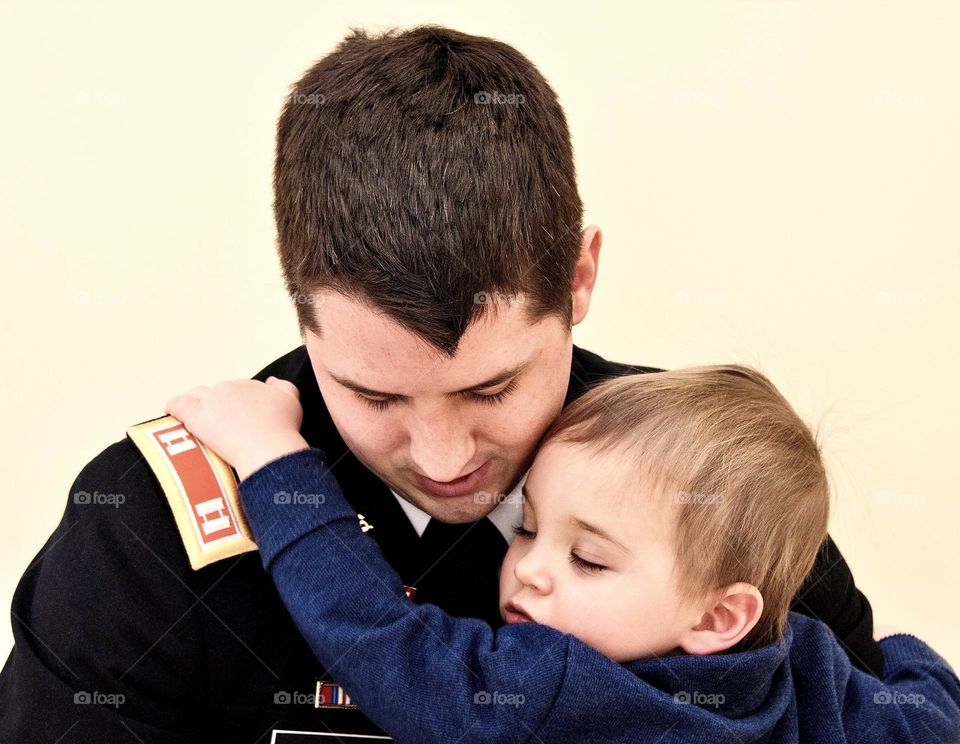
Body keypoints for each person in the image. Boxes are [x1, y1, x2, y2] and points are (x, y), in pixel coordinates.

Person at [0, 25, 883, 742]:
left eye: (491, 389)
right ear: (301, 313)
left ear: (579, 279)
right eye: (376, 397)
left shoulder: (714, 493)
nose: (444, 456)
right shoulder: (146, 531)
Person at [165, 368, 960, 743]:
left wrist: (273, 459)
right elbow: (929, 713)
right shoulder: (811, 669)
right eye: (526, 527)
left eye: (591, 560)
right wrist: (912, 661)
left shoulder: (557, 690)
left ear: (721, 614)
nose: (532, 568)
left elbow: (375, 634)